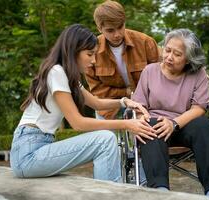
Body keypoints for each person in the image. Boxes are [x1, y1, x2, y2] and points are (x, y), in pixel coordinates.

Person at [10, 24, 157, 182]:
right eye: (89, 54)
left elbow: (96, 103)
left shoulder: (67, 76)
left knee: (105, 139)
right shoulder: (56, 72)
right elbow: (78, 123)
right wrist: (127, 124)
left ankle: (111, 190)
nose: (94, 61)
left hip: (39, 147)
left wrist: (124, 102)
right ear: (74, 51)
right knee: (105, 140)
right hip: (29, 153)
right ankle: (110, 193)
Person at [132, 28, 209, 197]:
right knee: (149, 126)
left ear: (189, 59)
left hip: (184, 125)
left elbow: (199, 108)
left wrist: (174, 123)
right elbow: (139, 107)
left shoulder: (199, 74)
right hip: (156, 127)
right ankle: (159, 190)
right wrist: (143, 120)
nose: (169, 57)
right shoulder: (149, 71)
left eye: (177, 54)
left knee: (205, 126)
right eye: (167, 50)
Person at [85, 0, 160, 120]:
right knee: (106, 138)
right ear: (99, 28)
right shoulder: (91, 50)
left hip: (146, 103)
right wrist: (126, 93)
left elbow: (160, 78)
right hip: (109, 108)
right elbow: (97, 90)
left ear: (124, 22)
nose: (117, 34)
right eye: (110, 30)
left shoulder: (146, 42)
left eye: (120, 27)